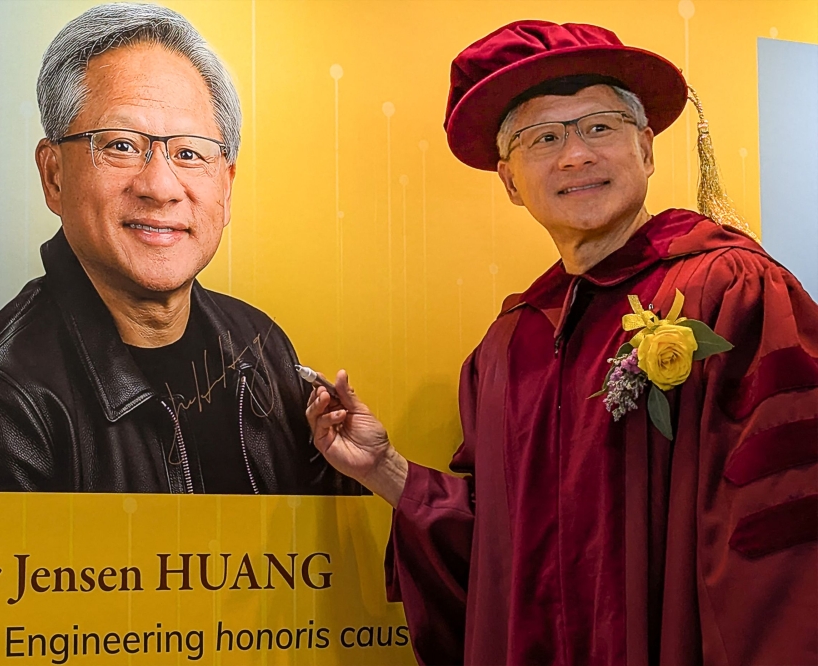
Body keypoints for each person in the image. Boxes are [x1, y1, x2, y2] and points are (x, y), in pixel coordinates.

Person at [307, 20, 818, 666]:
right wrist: (383, 470)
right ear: (511, 182)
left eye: (599, 127)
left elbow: (783, 545)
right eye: (543, 138)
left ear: (647, 150)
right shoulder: (508, 347)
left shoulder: (730, 293)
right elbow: (505, 557)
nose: (575, 155)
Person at [0, 3, 359, 496]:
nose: (161, 186)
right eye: (121, 145)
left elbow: (314, 569)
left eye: (188, 153)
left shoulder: (262, 346)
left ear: (226, 187)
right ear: (53, 175)